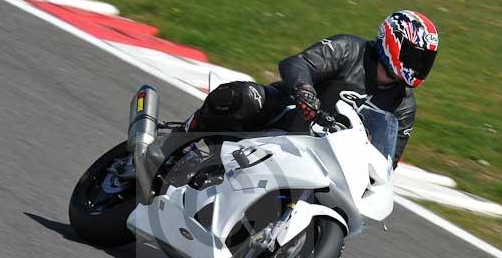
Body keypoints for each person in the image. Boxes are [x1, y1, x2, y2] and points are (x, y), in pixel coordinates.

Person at [185, 10, 439, 168]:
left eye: (424, 61)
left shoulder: (404, 105)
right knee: (240, 97)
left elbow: (388, 161)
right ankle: (181, 141)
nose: (418, 67)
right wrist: (305, 90)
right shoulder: (349, 49)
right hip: (289, 114)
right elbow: (297, 63)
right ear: (393, 43)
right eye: (414, 57)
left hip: (328, 158)